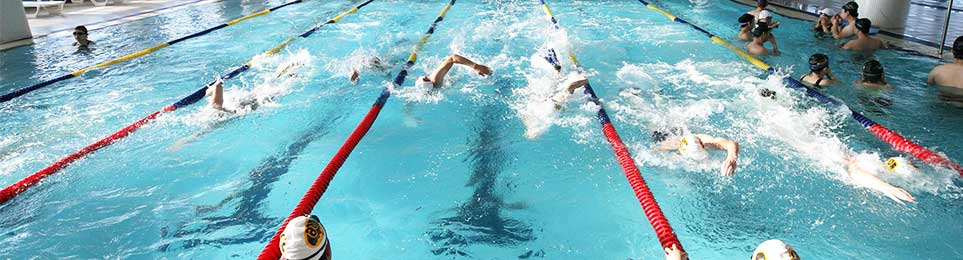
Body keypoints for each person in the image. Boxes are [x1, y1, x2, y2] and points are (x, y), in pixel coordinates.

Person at [655, 131, 740, 176]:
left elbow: (731, 143)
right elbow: (656, 151)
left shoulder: (704, 141)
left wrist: (731, 158)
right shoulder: (671, 145)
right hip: (666, 137)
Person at [845, 156, 916, 204]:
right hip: (863, 173)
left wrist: (890, 189)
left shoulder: (864, 165)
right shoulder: (857, 171)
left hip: (863, 171)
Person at [412, 54, 491, 91]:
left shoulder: (435, 79)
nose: (426, 76)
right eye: (425, 78)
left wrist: (476, 67)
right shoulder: (432, 87)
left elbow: (453, 57)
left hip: (452, 68)